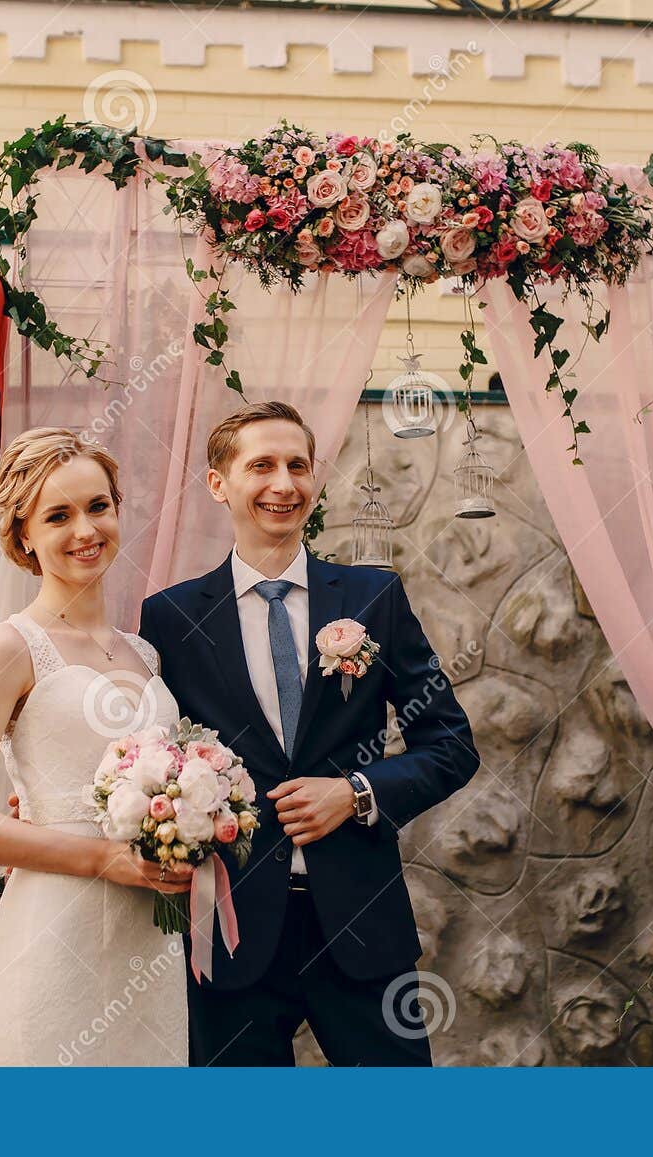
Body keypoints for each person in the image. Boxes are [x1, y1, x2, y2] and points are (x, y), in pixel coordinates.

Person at [140, 400, 480, 1066]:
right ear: (219, 483)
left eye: (298, 465)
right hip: (230, 934)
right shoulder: (170, 618)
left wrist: (355, 790)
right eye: (261, 465)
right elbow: (152, 758)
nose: (284, 483)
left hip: (360, 925)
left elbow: (451, 744)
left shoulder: (372, 599)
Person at [0, 427, 189, 1066]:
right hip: (53, 935)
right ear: (22, 536)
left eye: (98, 506)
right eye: (58, 515)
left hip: (149, 945)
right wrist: (103, 859)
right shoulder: (11, 647)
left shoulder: (144, 653)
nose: (86, 530)